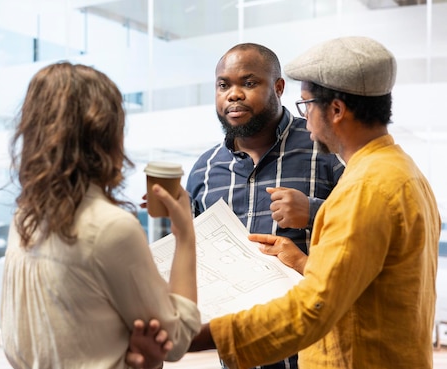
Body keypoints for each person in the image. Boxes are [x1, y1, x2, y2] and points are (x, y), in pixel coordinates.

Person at [128, 36, 442, 368]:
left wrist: (194, 337)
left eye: (306, 105)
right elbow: (355, 281)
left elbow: (314, 307)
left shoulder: (368, 186)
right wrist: (304, 264)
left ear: (335, 110)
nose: (305, 121)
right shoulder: (398, 170)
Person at [0, 62, 201, 369]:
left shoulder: (23, 220)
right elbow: (176, 339)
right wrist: (185, 236)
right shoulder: (111, 228)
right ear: (107, 134)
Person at [186, 42, 344, 368]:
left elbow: (363, 232)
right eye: (223, 85)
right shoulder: (204, 169)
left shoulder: (325, 150)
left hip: (315, 352)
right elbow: (196, 260)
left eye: (248, 83)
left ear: (279, 87)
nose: (233, 94)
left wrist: (313, 212)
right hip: (240, 353)